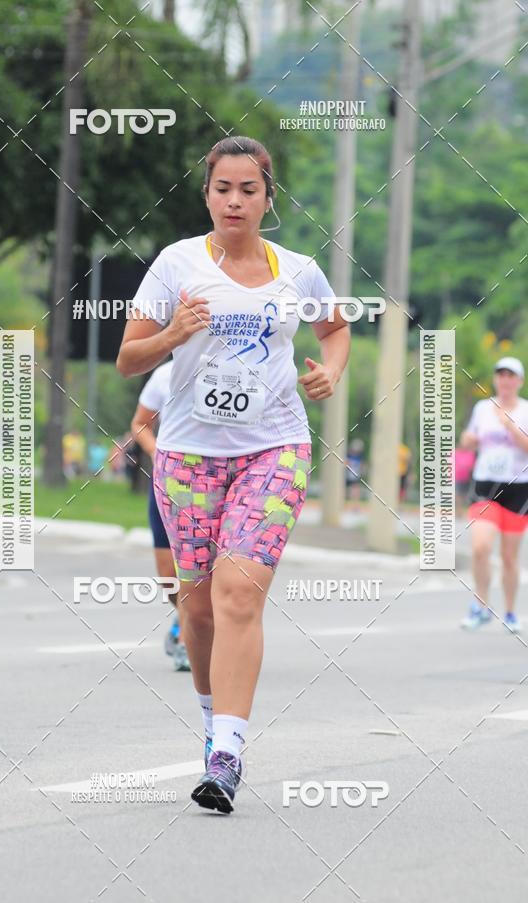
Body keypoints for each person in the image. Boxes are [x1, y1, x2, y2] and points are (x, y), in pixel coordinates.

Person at [117, 136, 350, 814]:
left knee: (238, 591)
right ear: (207, 194)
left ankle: (228, 749)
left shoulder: (299, 271)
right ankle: (214, 716)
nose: (235, 200)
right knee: (196, 606)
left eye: (249, 189)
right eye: (223, 188)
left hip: (273, 448)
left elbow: (335, 330)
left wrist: (327, 372)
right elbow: (129, 358)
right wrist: (172, 334)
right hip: (188, 452)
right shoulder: (176, 264)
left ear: (268, 199)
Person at [460, 357, 528, 633]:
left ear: (519, 381)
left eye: (511, 376)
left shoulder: (525, 410)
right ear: (496, 379)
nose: (506, 380)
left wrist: (509, 425)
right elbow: (468, 437)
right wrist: (468, 440)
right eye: (501, 375)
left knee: (510, 557)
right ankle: (481, 605)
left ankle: (510, 611)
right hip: (485, 485)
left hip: (517, 488)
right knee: (480, 547)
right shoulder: (482, 408)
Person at [131, 360, 191, 672]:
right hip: (167, 481)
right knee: (169, 577)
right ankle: (184, 616)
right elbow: (140, 423)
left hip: (212, 482)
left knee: (199, 570)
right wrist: (157, 452)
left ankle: (187, 640)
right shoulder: (165, 374)